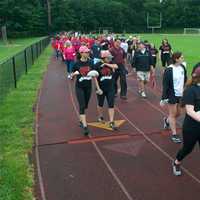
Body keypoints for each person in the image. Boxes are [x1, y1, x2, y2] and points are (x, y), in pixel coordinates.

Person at [172, 63, 200, 176]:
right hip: (192, 128)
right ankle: (176, 162)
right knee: (187, 149)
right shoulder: (191, 90)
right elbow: (190, 111)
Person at [160, 52, 187, 143]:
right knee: (172, 114)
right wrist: (163, 98)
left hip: (181, 94)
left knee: (179, 113)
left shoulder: (182, 67)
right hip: (172, 94)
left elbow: (185, 79)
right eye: (181, 57)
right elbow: (165, 84)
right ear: (176, 59)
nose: (183, 59)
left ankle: (167, 121)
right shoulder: (169, 70)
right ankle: (174, 134)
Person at [71, 46, 96, 136]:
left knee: (85, 105)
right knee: (82, 105)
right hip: (79, 87)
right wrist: (74, 74)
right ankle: (85, 126)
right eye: (86, 52)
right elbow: (70, 77)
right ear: (81, 53)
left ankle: (81, 119)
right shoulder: (76, 64)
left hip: (88, 87)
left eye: (88, 52)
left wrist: (95, 75)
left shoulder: (90, 62)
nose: (87, 53)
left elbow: (94, 74)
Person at [94, 50, 118, 130]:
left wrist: (106, 64)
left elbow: (116, 66)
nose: (110, 59)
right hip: (101, 88)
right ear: (104, 58)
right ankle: (100, 116)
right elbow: (95, 78)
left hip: (110, 88)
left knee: (111, 104)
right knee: (100, 104)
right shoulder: (97, 65)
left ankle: (111, 121)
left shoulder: (111, 63)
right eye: (108, 58)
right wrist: (98, 88)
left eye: (110, 58)